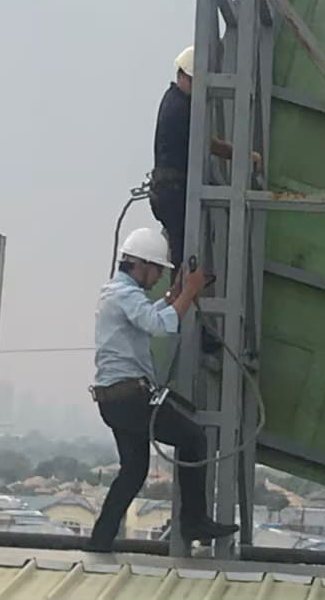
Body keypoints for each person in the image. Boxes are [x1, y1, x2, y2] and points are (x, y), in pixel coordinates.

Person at [85, 225, 239, 553]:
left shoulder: (117, 292)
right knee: (194, 438)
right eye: (156, 270)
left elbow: (148, 315)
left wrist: (175, 295)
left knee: (133, 471)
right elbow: (160, 326)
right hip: (130, 397)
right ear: (140, 265)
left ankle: (100, 541)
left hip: (115, 400)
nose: (157, 278)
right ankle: (194, 521)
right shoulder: (124, 294)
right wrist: (188, 293)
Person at [150, 45, 246, 272]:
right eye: (194, 81)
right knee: (182, 257)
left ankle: (181, 286)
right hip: (173, 191)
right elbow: (209, 144)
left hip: (165, 189)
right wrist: (243, 155)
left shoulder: (172, 99)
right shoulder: (181, 108)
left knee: (180, 253)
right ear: (181, 76)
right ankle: (181, 290)